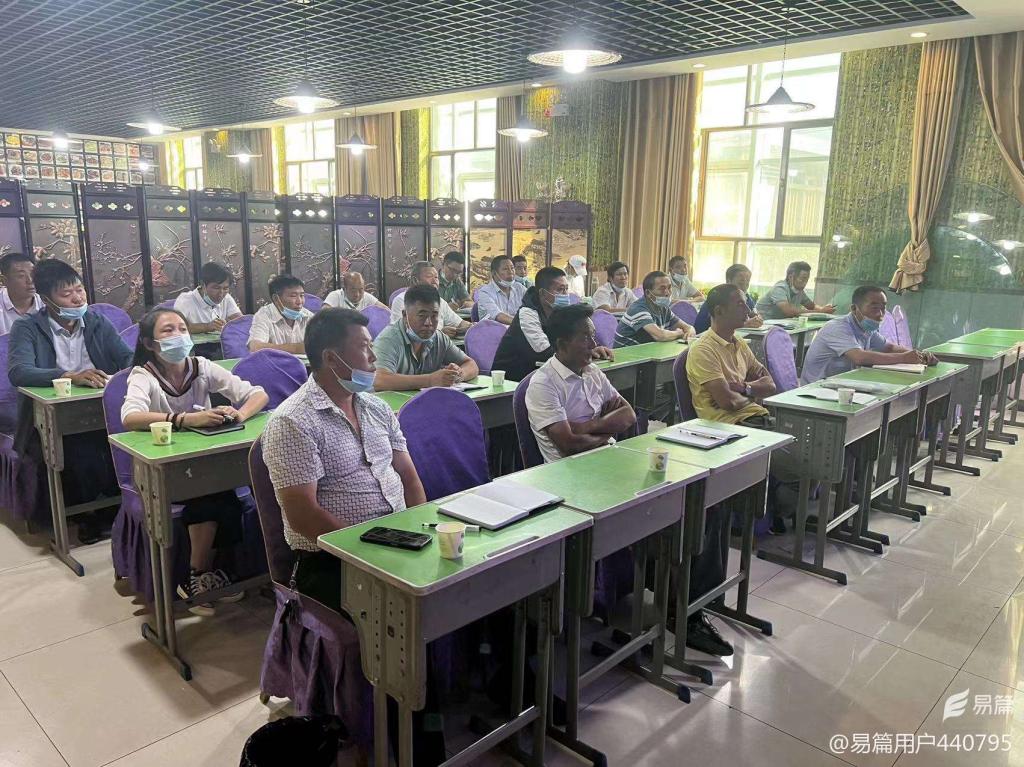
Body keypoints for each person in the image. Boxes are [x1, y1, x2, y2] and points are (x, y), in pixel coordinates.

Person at [262, 308, 445, 765]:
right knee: (403, 621)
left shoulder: (376, 407)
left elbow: (409, 477)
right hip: (332, 560)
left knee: (459, 589)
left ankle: (445, 700)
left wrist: (418, 529)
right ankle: (411, 746)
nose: (373, 358)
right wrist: (371, 554)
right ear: (332, 358)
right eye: (365, 348)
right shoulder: (292, 422)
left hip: (396, 542)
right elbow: (303, 516)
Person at [121, 308, 268, 613]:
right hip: (164, 469)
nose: (178, 335)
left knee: (223, 490)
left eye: (182, 328)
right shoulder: (144, 375)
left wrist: (239, 414)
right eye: (168, 330)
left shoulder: (201, 366)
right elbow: (130, 416)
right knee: (211, 494)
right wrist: (185, 419)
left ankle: (214, 571)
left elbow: (257, 394)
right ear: (149, 343)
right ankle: (196, 574)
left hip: (205, 461)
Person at [683, 283, 787, 654]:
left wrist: (744, 387)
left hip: (751, 424)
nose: (747, 309)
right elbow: (725, 402)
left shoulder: (739, 344)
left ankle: (710, 593)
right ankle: (692, 605)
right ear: (718, 311)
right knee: (713, 517)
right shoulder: (703, 348)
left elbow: (770, 384)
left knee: (796, 450)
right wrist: (747, 391)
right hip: (722, 433)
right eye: (740, 304)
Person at [8, 258, 133, 540]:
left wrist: (127, 373)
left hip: (101, 408)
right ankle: (89, 515)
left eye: (79, 290)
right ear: (46, 300)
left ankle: (116, 509)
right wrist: (69, 376)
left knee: (122, 442)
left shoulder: (96, 321)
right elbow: (19, 371)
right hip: (51, 417)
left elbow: (127, 357)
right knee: (82, 452)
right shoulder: (27, 327)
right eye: (66, 294)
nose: (77, 299)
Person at [526, 304, 636, 463]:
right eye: (585, 338)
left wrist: (586, 427)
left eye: (593, 336)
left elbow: (629, 415)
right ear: (562, 344)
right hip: (567, 470)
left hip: (605, 457)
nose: (593, 345)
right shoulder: (543, 384)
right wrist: (608, 430)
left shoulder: (592, 371)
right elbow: (570, 445)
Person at [492, 266, 613, 383]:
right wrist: (583, 352)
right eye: (559, 290)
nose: (565, 294)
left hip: (544, 373)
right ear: (542, 293)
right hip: (513, 380)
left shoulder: (561, 312)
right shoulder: (527, 314)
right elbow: (544, 352)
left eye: (566, 289)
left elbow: (573, 341)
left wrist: (592, 349)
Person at [800, 285, 938, 385]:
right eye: (874, 308)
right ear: (854, 309)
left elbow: (889, 347)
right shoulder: (837, 328)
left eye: (883, 308)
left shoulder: (867, 329)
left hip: (842, 385)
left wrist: (920, 356)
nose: (880, 314)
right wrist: (904, 358)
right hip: (818, 389)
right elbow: (859, 357)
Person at [372, 284, 479, 391]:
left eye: (434, 316)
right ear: (405, 315)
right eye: (421, 316)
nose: (429, 323)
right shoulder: (388, 340)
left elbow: (471, 364)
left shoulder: (439, 338)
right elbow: (378, 380)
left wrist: (458, 375)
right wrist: (429, 380)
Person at [613, 271, 695, 347]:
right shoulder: (638, 309)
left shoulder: (664, 308)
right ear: (648, 293)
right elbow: (660, 336)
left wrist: (689, 332)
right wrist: (678, 333)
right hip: (626, 356)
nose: (667, 293)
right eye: (662, 289)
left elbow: (689, 328)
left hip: (647, 353)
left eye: (669, 288)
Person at [390, 261, 469, 337]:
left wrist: (471, 326)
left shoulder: (440, 301)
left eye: (436, 277)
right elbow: (401, 333)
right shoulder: (401, 301)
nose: (435, 281)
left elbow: (460, 323)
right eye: (429, 276)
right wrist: (440, 334)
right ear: (415, 280)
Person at [248, 274, 313, 354]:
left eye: (302, 296)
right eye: (293, 296)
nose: (299, 302)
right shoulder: (264, 315)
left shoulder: (308, 316)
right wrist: (296, 349)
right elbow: (255, 347)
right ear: (276, 299)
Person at [172, 261, 243, 334]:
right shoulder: (185, 300)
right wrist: (207, 326)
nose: (221, 293)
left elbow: (241, 321)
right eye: (216, 288)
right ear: (203, 285)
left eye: (225, 288)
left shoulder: (226, 298)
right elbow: (176, 326)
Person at [694, 264, 762, 334]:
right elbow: (718, 327)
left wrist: (757, 319)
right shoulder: (718, 298)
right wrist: (744, 325)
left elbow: (753, 313)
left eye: (747, 281)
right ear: (728, 281)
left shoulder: (746, 297)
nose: (745, 286)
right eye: (741, 282)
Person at [755, 261, 835, 320]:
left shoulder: (799, 291)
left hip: (778, 327)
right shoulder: (780, 288)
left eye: (807, 279)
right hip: (761, 327)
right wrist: (821, 312)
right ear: (791, 277)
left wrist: (822, 308)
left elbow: (811, 306)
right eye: (803, 279)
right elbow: (789, 311)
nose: (805, 283)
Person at [477, 255, 527, 326]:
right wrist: (524, 324)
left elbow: (533, 307)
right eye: (505, 269)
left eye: (512, 268)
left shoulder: (520, 288)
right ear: (494, 273)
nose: (510, 272)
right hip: (495, 331)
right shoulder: (485, 292)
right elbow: (498, 316)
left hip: (519, 329)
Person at [0, 252, 43, 335]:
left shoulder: (47, 302)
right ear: (4, 281)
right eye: (21, 276)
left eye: (33, 274)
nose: (30, 280)